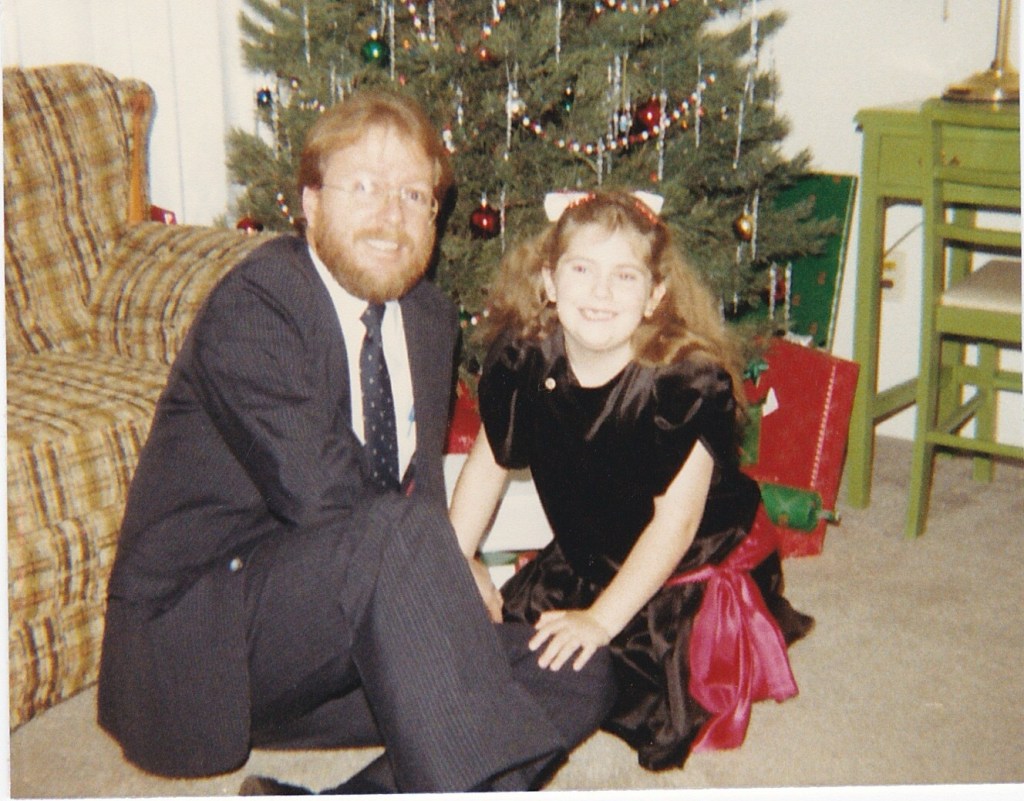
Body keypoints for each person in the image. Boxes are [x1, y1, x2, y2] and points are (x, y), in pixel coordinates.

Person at [97, 90, 615, 794]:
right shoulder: (256, 302)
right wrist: (447, 563)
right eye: (364, 187)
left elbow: (415, 491)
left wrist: (444, 574)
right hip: (203, 649)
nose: (390, 217)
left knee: (579, 667)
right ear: (309, 203)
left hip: (339, 644)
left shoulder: (428, 318)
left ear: (434, 219)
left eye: (413, 196)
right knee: (400, 535)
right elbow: (329, 499)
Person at [449, 189, 814, 773]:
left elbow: (678, 525)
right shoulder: (525, 360)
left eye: (625, 276)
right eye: (582, 270)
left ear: (655, 296)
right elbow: (487, 466)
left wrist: (601, 619)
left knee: (630, 684)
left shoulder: (682, 385)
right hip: (590, 549)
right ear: (548, 281)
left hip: (683, 562)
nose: (601, 292)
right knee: (509, 645)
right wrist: (451, 566)